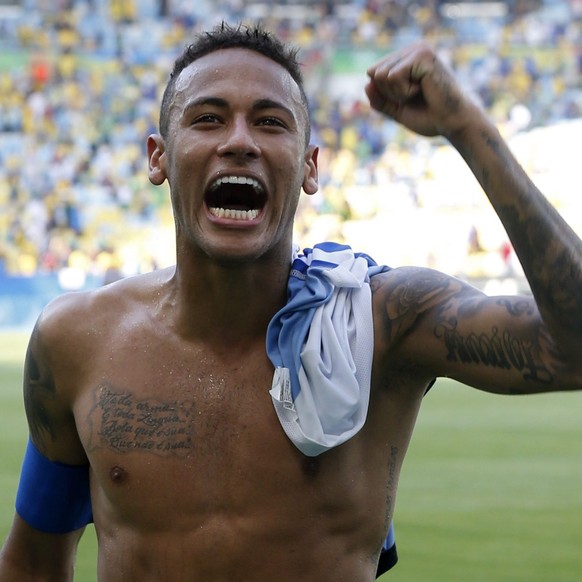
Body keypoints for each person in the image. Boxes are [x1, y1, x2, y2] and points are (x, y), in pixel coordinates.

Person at [1, 22, 581, 582]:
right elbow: (32, 563)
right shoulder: (75, 340)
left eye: (270, 123)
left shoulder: (385, 323)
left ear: (309, 167)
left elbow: (572, 351)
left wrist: (465, 125)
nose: (239, 142)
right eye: (207, 118)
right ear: (158, 157)